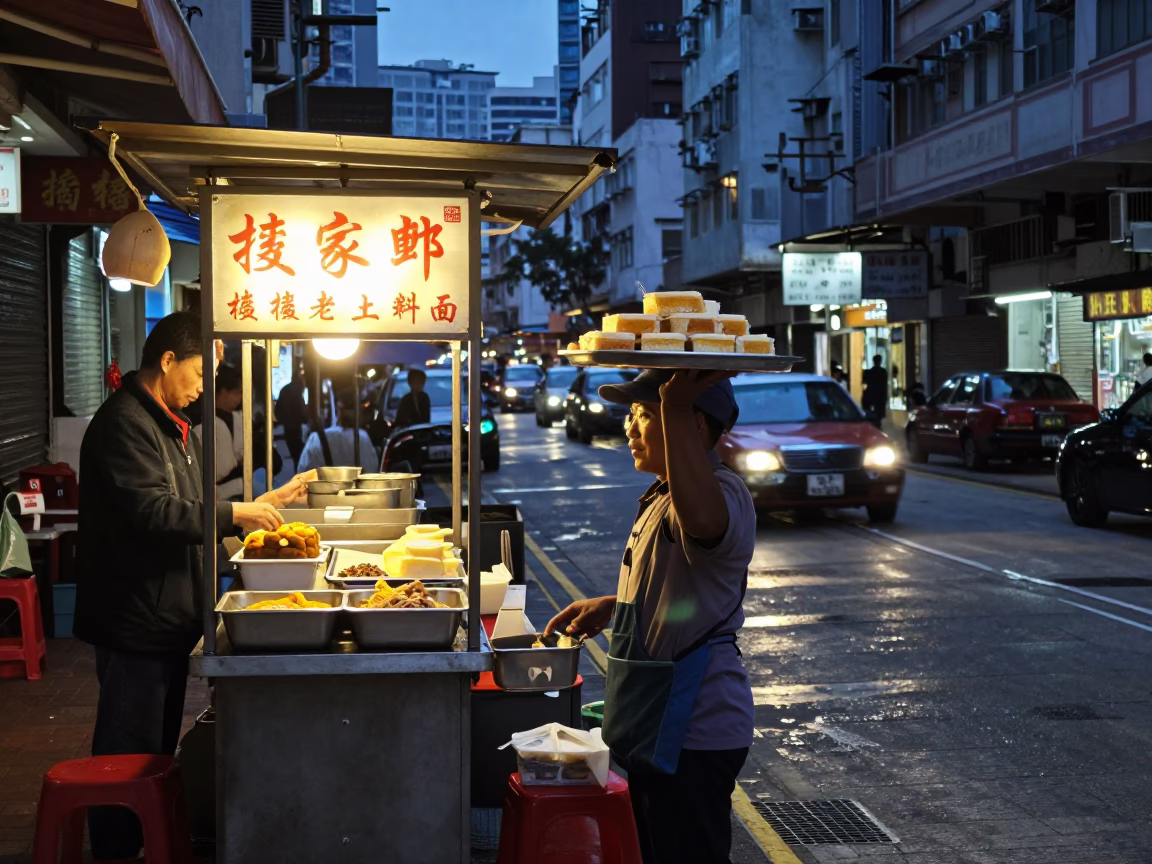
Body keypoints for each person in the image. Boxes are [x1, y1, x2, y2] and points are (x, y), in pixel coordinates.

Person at [73, 312, 310, 860]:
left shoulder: (169, 423)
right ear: (168, 361)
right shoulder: (124, 425)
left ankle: (146, 842)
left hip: (165, 617)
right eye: (202, 371)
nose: (205, 385)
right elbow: (155, 513)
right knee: (128, 752)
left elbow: (193, 511)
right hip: (135, 618)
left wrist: (259, 509)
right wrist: (236, 515)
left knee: (155, 752)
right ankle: (116, 850)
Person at [546, 369, 754, 864]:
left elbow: (703, 526)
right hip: (658, 725)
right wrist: (616, 607)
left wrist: (676, 405)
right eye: (632, 415)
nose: (629, 428)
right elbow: (687, 594)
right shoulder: (663, 493)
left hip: (694, 731)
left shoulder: (722, 495)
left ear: (696, 427)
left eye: (645, 415)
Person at [297, 389, 378, 473]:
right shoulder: (362, 438)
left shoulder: (316, 439)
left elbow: (303, 471)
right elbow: (371, 469)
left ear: (338, 410)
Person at [276, 368, 309, 470]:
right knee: (300, 456)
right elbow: (302, 409)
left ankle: (297, 474)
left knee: (295, 455)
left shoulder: (284, 390)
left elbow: (278, 410)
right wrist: (306, 420)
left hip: (288, 427)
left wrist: (283, 421)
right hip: (296, 427)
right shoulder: (297, 391)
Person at [861, 354, 888, 428]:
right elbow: (884, 386)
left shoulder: (869, 372)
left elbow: (864, 383)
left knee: (873, 416)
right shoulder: (883, 372)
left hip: (873, 397)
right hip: (879, 397)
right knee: (877, 417)